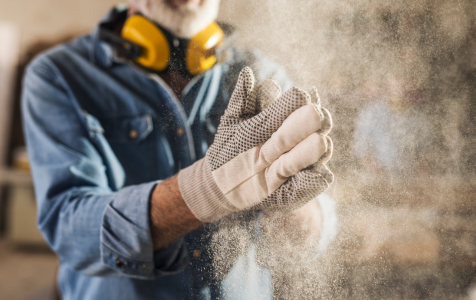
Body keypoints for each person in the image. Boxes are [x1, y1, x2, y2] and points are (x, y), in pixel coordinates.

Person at [21, 0, 338, 299]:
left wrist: (290, 208)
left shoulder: (260, 73)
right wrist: (208, 190)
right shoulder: (59, 75)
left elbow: (313, 235)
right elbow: (70, 232)